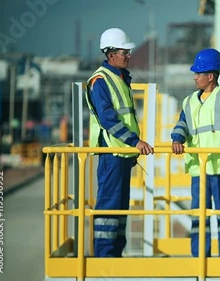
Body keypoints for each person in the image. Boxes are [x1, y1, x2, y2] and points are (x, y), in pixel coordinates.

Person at [85, 27, 153, 257]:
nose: (129, 55)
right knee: (108, 206)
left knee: (120, 207)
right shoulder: (100, 80)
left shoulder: (119, 78)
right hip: (111, 153)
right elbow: (108, 120)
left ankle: (115, 255)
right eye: (125, 51)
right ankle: (104, 257)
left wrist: (131, 148)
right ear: (111, 54)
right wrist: (135, 141)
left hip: (122, 154)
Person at [171, 48, 220, 257]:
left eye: (198, 74)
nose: (195, 78)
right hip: (198, 168)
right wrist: (177, 138)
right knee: (198, 214)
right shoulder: (190, 101)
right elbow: (182, 123)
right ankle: (200, 255)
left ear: (211, 76)